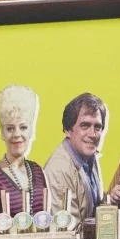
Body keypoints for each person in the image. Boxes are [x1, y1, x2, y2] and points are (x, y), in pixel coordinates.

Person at [0, 85, 48, 224]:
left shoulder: (37, 170)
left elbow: (45, 217)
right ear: (2, 132)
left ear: (31, 131)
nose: (17, 134)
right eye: (10, 128)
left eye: (23, 127)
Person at [43, 92, 109, 228]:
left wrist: (111, 200)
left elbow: (92, 210)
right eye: (85, 125)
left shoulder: (89, 154)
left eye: (98, 127)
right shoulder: (59, 169)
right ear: (68, 130)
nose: (92, 134)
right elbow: (69, 231)